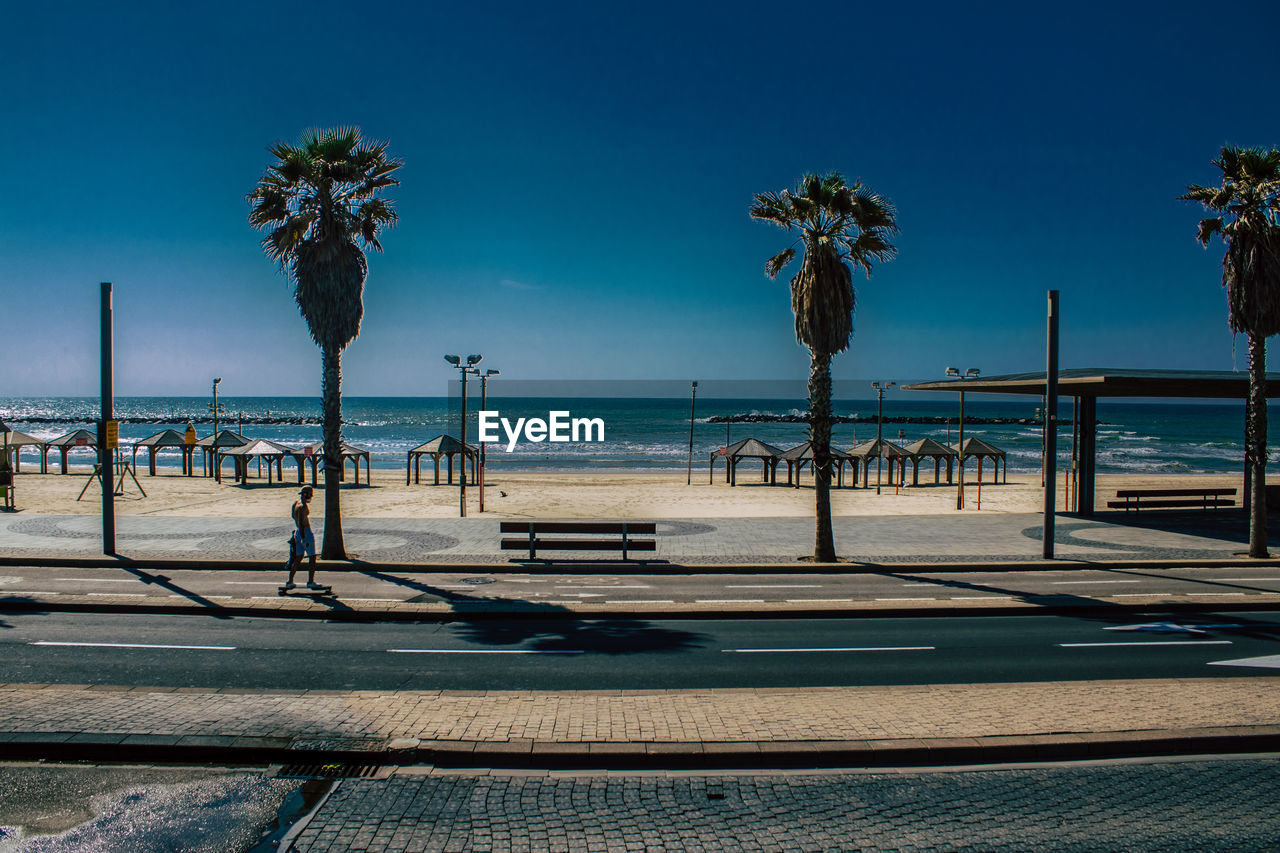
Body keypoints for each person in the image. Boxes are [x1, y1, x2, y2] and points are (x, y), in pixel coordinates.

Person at [285, 485, 319, 589]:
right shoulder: (303, 507)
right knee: (312, 557)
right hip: (305, 533)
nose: (311, 497)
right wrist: (304, 537)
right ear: (307, 494)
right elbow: (301, 522)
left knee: (298, 558)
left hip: (298, 533)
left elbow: (293, 516)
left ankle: (290, 580)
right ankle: (310, 581)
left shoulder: (295, 503)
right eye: (310, 495)